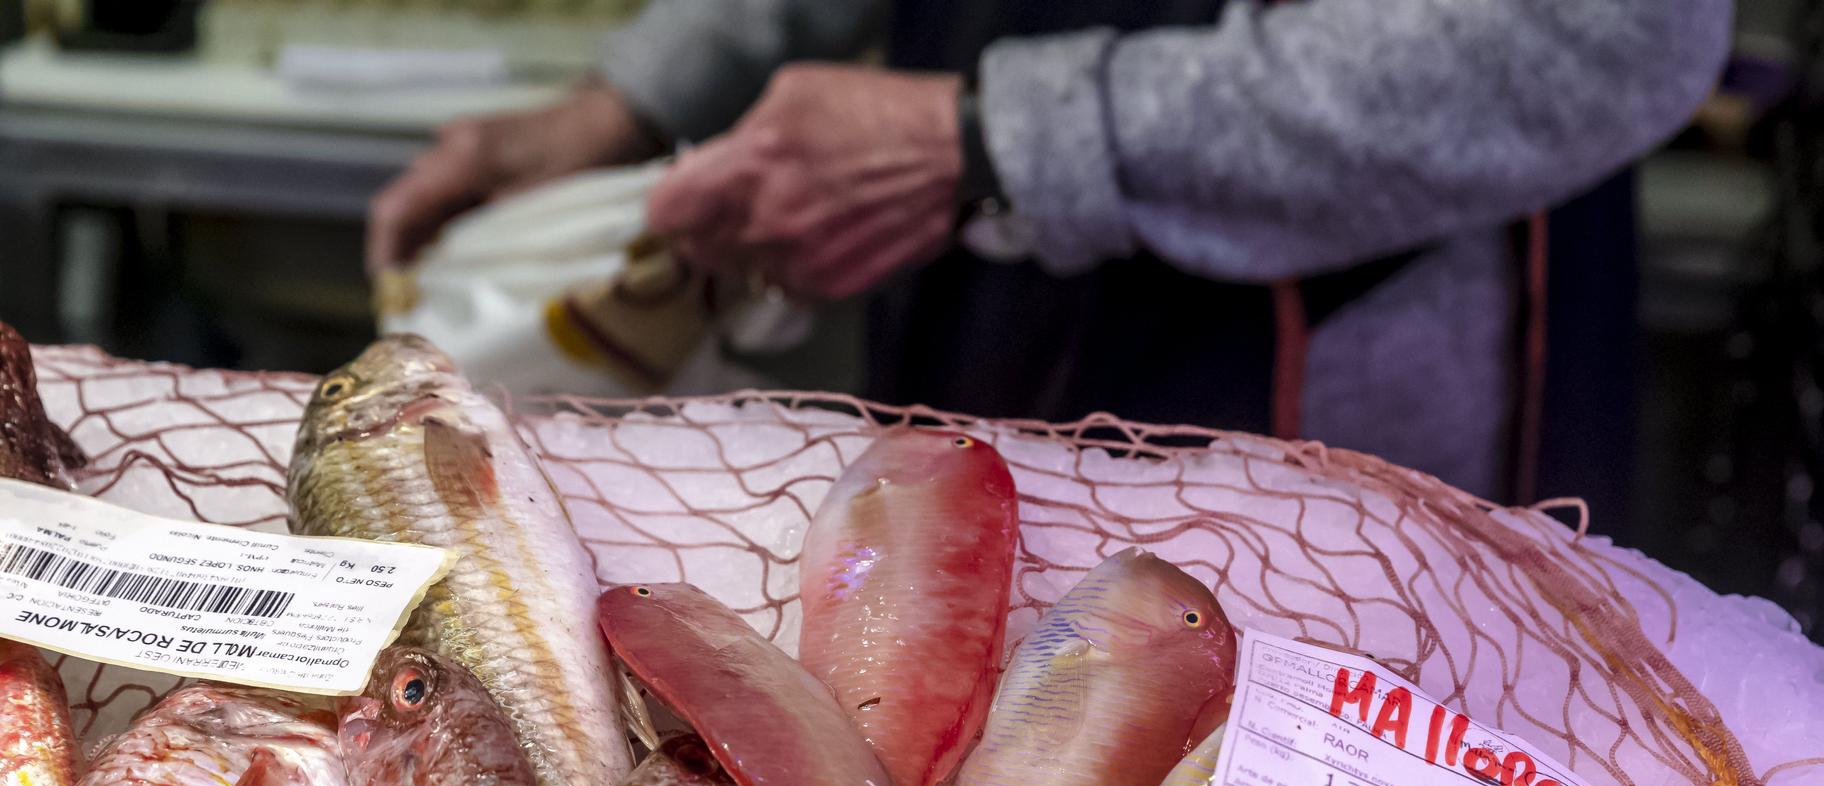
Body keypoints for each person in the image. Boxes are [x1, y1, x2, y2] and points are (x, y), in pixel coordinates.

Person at [369, 1, 1730, 498]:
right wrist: (636, 96)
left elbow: (1605, 33)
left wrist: (998, 135)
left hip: (1331, 423)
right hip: (993, 330)